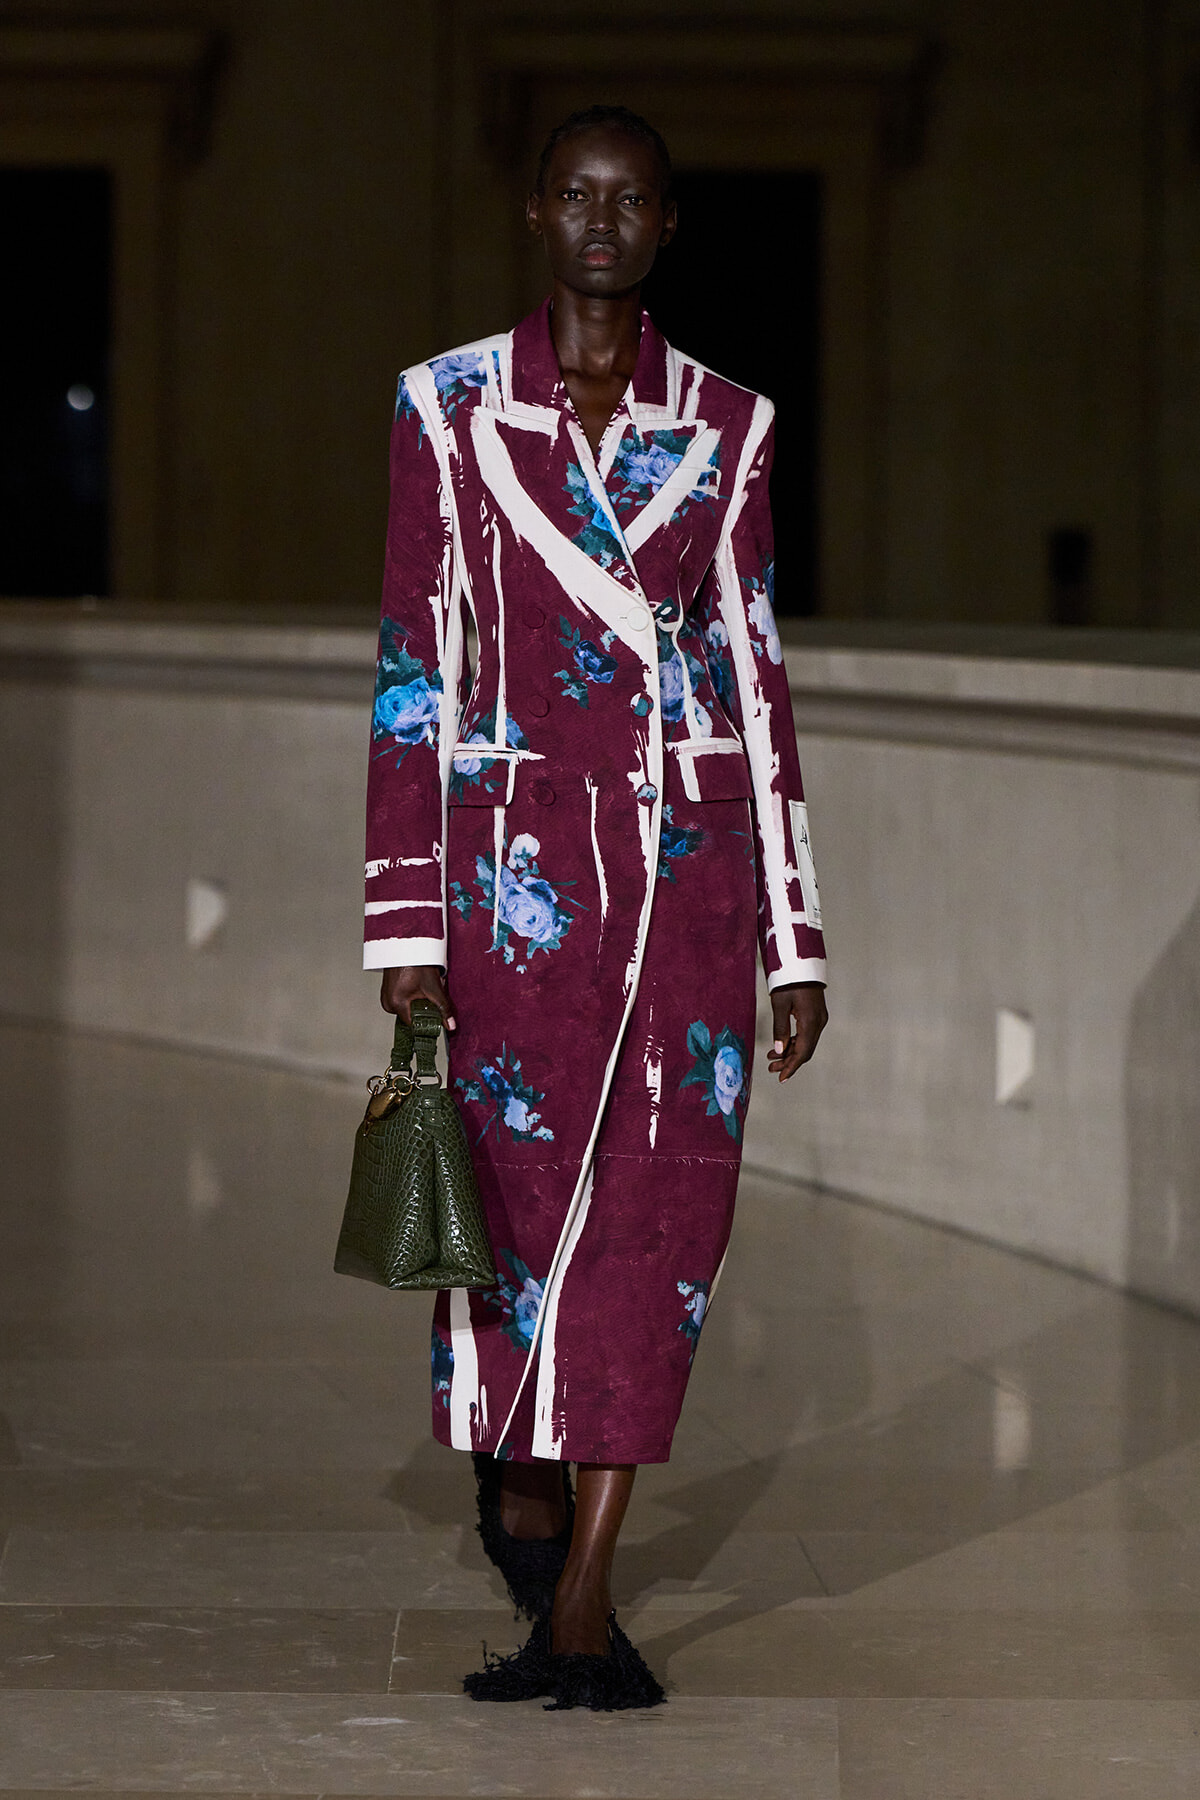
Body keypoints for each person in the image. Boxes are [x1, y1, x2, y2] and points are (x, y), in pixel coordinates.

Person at [363, 104, 828, 1710]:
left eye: (633, 201)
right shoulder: (446, 409)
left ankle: (584, 1597)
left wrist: (794, 933)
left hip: (687, 891)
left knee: (659, 1235)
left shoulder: (733, 426)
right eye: (578, 194)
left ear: (670, 226)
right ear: (535, 213)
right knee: (508, 1230)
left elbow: (755, 674)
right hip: (514, 894)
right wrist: (407, 923)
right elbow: (418, 675)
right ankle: (528, 1490)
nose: (604, 222)